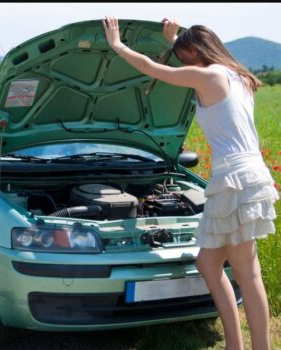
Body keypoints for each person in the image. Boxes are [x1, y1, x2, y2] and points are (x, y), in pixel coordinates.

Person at [102, 16, 279, 350]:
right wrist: (173, 41)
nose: (182, 64)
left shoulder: (209, 75)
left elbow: (158, 71)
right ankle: (235, 345)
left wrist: (118, 45)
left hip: (235, 179)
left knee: (247, 272)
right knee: (209, 262)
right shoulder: (236, 77)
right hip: (249, 175)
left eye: (185, 57)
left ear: (197, 52)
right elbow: (188, 70)